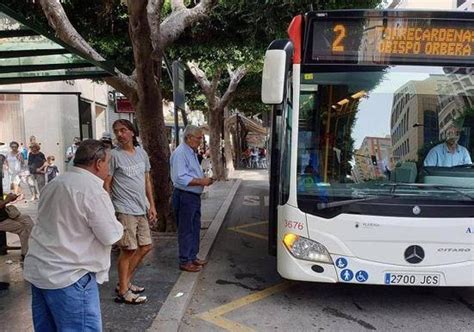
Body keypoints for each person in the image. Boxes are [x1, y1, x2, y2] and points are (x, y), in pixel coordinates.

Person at [23, 139, 123, 331]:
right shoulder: (92, 190)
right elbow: (110, 235)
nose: (108, 168)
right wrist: (120, 226)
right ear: (98, 163)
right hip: (71, 276)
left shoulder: (55, 183)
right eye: (108, 163)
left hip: (41, 271)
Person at [104, 119, 156, 304]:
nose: (119, 134)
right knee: (128, 249)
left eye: (123, 130)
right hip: (123, 208)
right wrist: (109, 208)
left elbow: (146, 181)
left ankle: (124, 282)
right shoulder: (113, 155)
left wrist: (152, 205)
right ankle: (124, 290)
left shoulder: (142, 154)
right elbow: (107, 183)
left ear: (132, 132)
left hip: (141, 207)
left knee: (145, 246)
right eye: (116, 131)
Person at [170, 125, 214, 273]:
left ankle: (192, 256)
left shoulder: (191, 152)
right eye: (199, 138)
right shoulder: (181, 153)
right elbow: (180, 178)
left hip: (193, 196)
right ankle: (185, 260)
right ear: (189, 138)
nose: (200, 141)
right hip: (185, 196)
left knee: (194, 227)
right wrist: (202, 181)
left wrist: (204, 179)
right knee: (186, 229)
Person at [0, 192, 33, 260]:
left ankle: (32, 245)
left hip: (6, 215)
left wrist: (9, 198)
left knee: (26, 219)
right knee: (22, 228)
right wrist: (8, 200)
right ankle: (25, 253)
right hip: (1, 220)